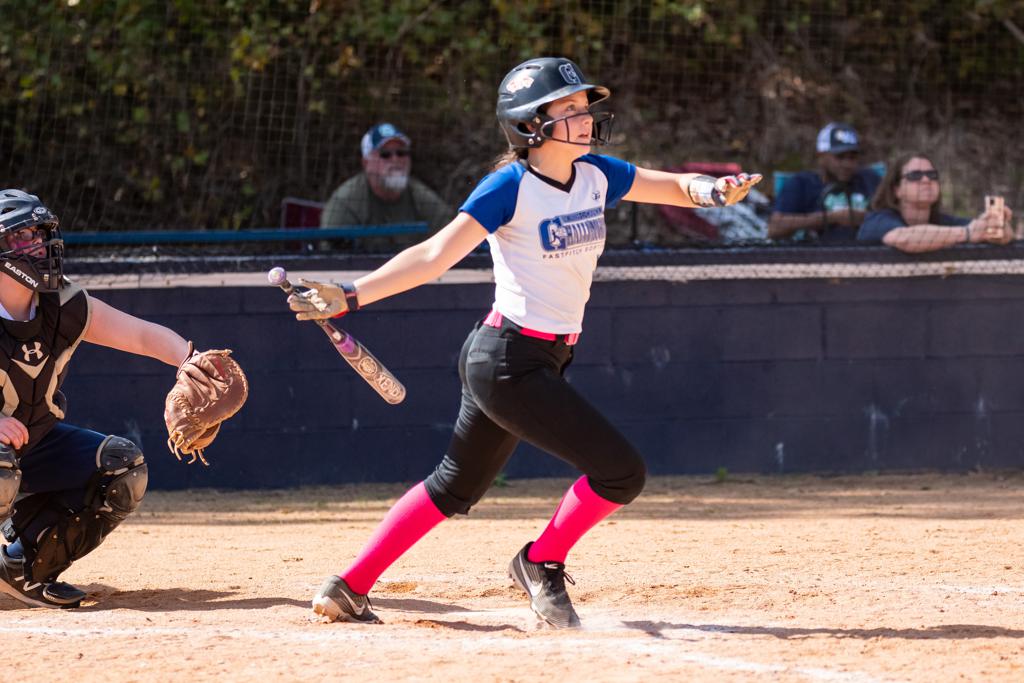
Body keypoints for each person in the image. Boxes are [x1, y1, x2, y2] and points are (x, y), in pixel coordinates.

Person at [288, 57, 761, 628]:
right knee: (621, 473)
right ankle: (540, 562)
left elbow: (670, 185)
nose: (584, 118)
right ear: (530, 125)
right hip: (508, 360)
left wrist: (713, 191)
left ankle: (349, 586)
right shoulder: (509, 186)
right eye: (568, 109)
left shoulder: (596, 174)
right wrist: (351, 294)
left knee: (452, 486)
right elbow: (434, 255)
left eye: (585, 107)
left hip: (536, 358)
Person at [0, 189, 230, 609]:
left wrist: (189, 361)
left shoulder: (62, 304)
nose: (38, 245)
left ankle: (22, 571)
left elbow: (140, 334)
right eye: (22, 237)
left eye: (40, 233)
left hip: (32, 442)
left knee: (122, 468)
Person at [320, 123, 454, 251]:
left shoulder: (422, 197)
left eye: (401, 153)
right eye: (385, 154)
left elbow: (452, 235)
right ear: (366, 162)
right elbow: (330, 257)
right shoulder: (344, 203)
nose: (395, 159)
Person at [857, 153, 1014, 252]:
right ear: (896, 189)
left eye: (932, 175)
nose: (926, 180)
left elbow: (1003, 235)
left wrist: (997, 226)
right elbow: (903, 238)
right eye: (915, 176)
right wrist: (967, 233)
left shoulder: (943, 221)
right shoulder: (878, 219)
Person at [768, 122, 882, 243]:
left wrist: (867, 218)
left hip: (868, 255)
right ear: (821, 156)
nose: (847, 164)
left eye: (852, 157)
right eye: (840, 157)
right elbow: (775, 229)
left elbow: (892, 215)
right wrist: (832, 218)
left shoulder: (869, 179)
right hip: (817, 257)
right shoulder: (802, 183)